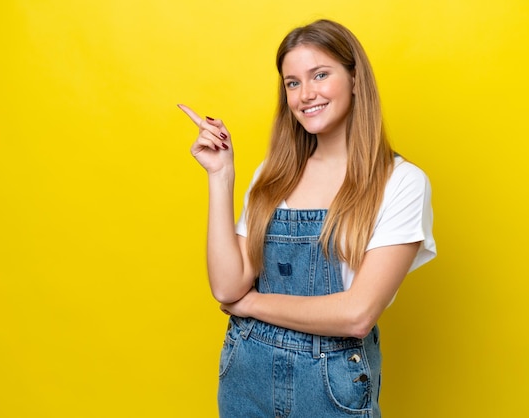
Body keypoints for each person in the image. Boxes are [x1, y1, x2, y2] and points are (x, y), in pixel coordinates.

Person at [179, 19, 436, 418]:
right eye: (292, 82)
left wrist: (252, 305)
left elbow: (357, 314)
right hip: (247, 375)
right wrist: (220, 175)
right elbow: (227, 286)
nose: (306, 94)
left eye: (320, 75)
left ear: (354, 78)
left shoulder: (400, 182)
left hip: (332, 386)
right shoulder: (273, 174)